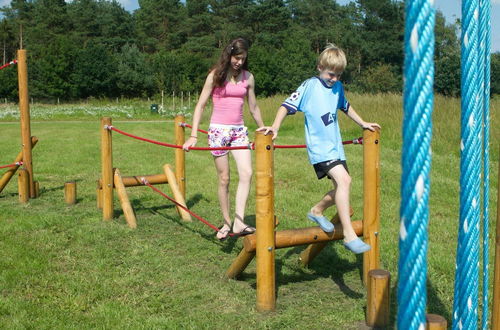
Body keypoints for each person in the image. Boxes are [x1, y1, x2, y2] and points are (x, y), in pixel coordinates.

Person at [258, 44, 380, 254]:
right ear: (319, 67)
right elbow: (286, 106)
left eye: (339, 74)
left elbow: (345, 106)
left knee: (340, 188)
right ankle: (349, 235)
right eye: (331, 74)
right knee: (345, 181)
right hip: (319, 148)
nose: (334, 78)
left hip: (336, 147)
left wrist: (363, 123)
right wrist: (275, 127)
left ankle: (317, 210)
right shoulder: (310, 86)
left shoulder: (338, 87)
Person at [182, 38, 264, 241]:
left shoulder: (248, 77)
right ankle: (227, 222)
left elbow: (253, 107)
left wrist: (263, 127)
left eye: (243, 59)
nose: (239, 62)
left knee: (247, 172)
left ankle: (239, 220)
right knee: (224, 178)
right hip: (218, 132)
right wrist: (193, 135)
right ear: (229, 55)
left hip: (238, 132)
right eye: (237, 58)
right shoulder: (215, 76)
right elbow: (200, 105)